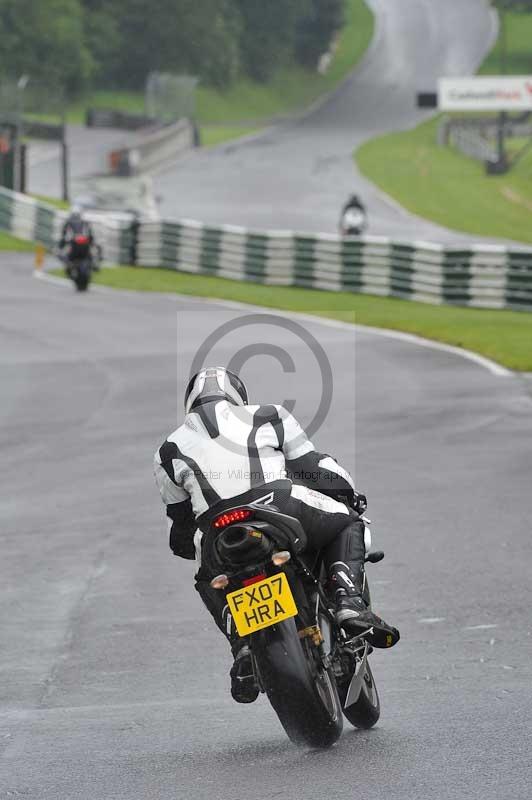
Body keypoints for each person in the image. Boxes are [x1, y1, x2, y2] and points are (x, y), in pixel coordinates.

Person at [154, 366, 399, 703]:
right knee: (346, 522)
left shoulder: (167, 450)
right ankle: (349, 603)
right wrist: (348, 494)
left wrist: (193, 546)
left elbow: (179, 530)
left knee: (205, 577)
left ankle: (241, 647)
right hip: (278, 503)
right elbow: (314, 466)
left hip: (217, 530)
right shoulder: (268, 414)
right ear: (239, 397)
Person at [58, 205, 99, 270]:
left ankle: (93, 263)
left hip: (76, 243)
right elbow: (90, 235)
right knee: (94, 250)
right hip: (82, 243)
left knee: (61, 251)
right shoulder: (84, 222)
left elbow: (64, 235)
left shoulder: (69, 222)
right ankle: (94, 263)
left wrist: (61, 245)